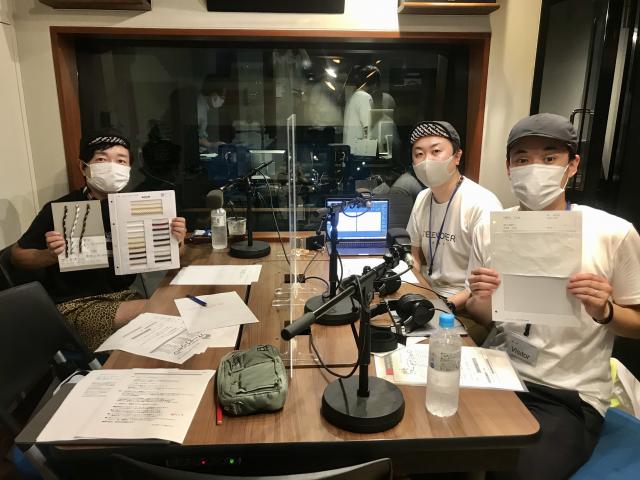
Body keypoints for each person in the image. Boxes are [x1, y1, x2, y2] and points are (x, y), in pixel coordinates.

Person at [466, 113, 640, 479]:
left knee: (515, 472)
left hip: (568, 394)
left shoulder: (613, 232)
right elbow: (483, 315)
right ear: (509, 168)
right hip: (498, 372)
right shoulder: (491, 229)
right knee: (434, 443)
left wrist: (605, 310)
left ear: (572, 165)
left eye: (549, 158)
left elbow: (637, 324)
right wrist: (481, 297)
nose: (535, 169)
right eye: (522, 159)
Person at [11, 129, 187, 351]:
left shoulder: (136, 207)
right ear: (83, 167)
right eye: (102, 159)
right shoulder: (62, 209)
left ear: (129, 168)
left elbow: (176, 255)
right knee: (162, 311)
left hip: (124, 296)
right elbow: (17, 256)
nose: (113, 166)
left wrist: (176, 239)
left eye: (121, 161)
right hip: (76, 305)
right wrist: (50, 255)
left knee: (170, 321)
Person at [405, 121, 502, 343]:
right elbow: (415, 257)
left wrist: (441, 306)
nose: (427, 160)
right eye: (419, 154)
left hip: (467, 309)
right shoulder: (422, 198)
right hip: (430, 297)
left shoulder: (482, 204)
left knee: (426, 349)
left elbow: (483, 286)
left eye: (436, 151)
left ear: (457, 156)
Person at [197, 74, 226, 152]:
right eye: (222, 97)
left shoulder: (203, 105)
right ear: (214, 96)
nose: (223, 101)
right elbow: (191, 135)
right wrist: (210, 145)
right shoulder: (199, 107)